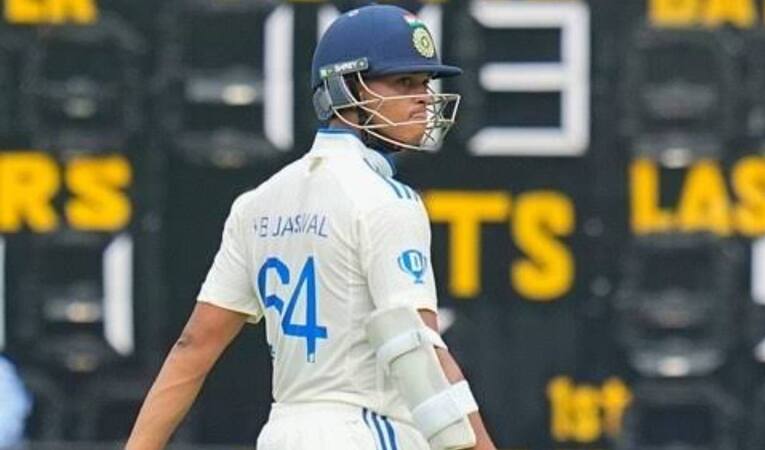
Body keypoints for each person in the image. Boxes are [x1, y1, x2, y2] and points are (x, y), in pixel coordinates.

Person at [126, 5, 496, 450]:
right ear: (345, 87)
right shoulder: (388, 201)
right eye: (403, 82)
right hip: (367, 430)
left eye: (424, 84)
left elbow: (193, 346)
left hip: (282, 433)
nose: (423, 98)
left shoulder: (256, 204)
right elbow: (418, 350)